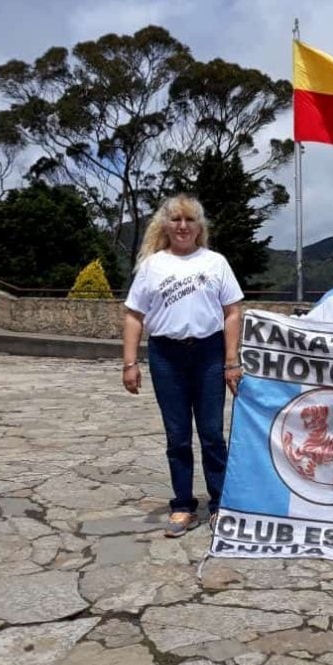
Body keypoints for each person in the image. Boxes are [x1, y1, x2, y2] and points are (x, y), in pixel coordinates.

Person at [122, 195, 244, 537]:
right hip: (166, 356)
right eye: (176, 219)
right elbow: (134, 315)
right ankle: (182, 505)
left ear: (199, 227)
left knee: (210, 433)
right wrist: (129, 363)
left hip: (208, 354)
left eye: (189, 220)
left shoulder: (216, 262)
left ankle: (220, 503)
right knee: (177, 435)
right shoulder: (152, 266)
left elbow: (233, 311)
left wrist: (231, 360)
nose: (182, 226)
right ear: (166, 225)